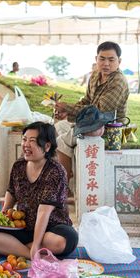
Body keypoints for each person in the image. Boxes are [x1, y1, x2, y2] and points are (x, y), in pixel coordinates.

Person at [0, 121, 78, 260]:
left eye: (32, 141)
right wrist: (2, 218)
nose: (26, 145)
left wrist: (36, 244)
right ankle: (31, 254)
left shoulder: (55, 171)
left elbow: (44, 213)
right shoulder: (19, 165)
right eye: (24, 139)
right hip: (23, 227)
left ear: (47, 146)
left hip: (52, 227)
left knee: (61, 241)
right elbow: (11, 191)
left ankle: (14, 248)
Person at [55, 41, 129, 181]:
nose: (106, 63)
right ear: (96, 59)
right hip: (89, 121)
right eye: (102, 58)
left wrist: (68, 107)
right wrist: (67, 113)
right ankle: (66, 175)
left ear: (119, 61)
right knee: (57, 127)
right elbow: (87, 101)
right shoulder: (95, 76)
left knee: (61, 141)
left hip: (108, 128)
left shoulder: (119, 82)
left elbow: (99, 111)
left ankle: (62, 186)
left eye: (111, 59)